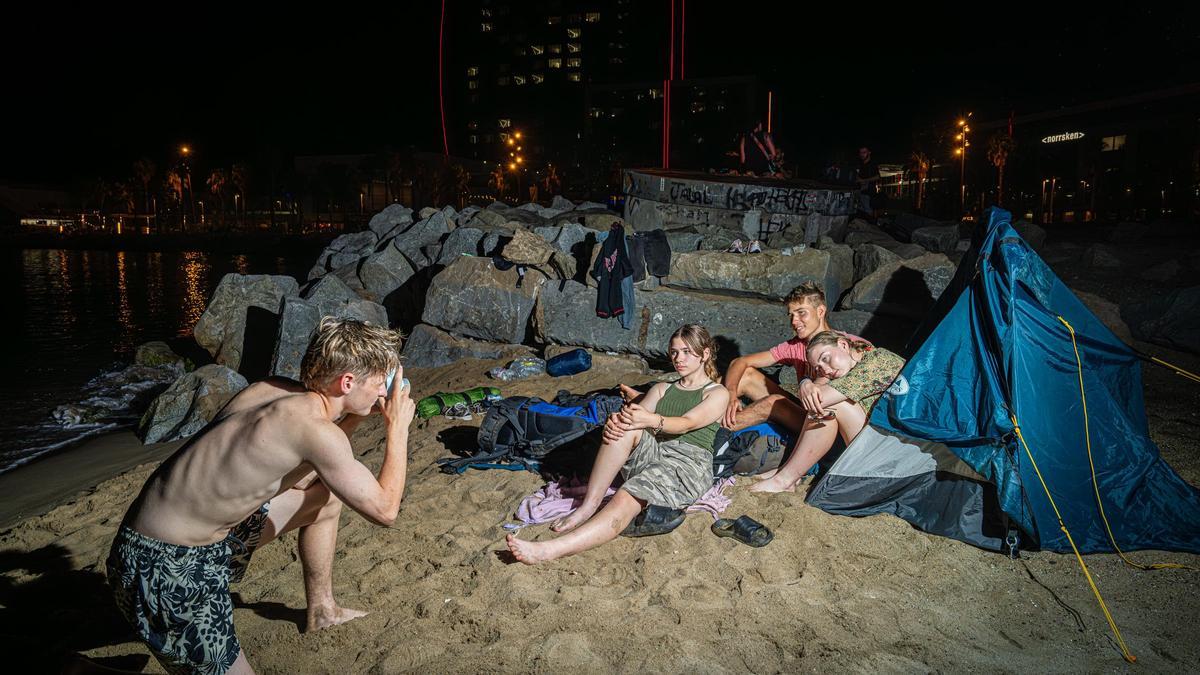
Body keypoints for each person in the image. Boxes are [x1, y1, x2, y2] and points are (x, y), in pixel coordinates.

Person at [106, 318, 416, 674]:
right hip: (168, 570)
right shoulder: (315, 432)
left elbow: (303, 474)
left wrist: (358, 412)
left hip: (146, 543)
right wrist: (398, 428)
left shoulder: (269, 390)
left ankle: (322, 611)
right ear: (347, 382)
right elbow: (385, 509)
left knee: (324, 498)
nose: (384, 392)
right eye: (380, 382)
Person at [507, 324, 730, 564]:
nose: (678, 358)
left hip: (688, 464)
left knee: (626, 497)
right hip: (656, 453)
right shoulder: (663, 389)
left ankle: (548, 550)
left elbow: (687, 423)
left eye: (687, 352)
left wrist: (649, 420)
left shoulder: (716, 392)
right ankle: (588, 506)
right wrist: (619, 421)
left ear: (705, 353)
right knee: (623, 427)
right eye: (674, 352)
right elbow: (636, 418)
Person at [750, 330, 906, 493]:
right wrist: (805, 381)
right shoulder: (849, 364)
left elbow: (817, 400)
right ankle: (787, 474)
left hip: (896, 456)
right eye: (818, 367)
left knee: (827, 406)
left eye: (826, 358)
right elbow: (815, 389)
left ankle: (785, 479)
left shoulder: (879, 360)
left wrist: (807, 384)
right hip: (883, 445)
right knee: (824, 406)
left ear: (843, 344)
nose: (825, 369)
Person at [722, 283, 866, 435]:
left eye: (801, 313)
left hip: (832, 424)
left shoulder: (847, 344)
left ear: (820, 311)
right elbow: (740, 362)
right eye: (791, 315)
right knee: (746, 375)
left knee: (773, 403)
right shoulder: (795, 346)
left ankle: (711, 433)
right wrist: (730, 394)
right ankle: (702, 409)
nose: (794, 321)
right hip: (805, 410)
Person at [856, 146, 882, 219]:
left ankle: (869, 227)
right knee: (860, 212)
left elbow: (878, 177)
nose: (862, 154)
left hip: (868, 193)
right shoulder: (861, 164)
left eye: (864, 152)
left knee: (867, 212)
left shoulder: (872, 164)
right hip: (860, 191)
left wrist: (864, 180)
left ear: (869, 153)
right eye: (860, 152)